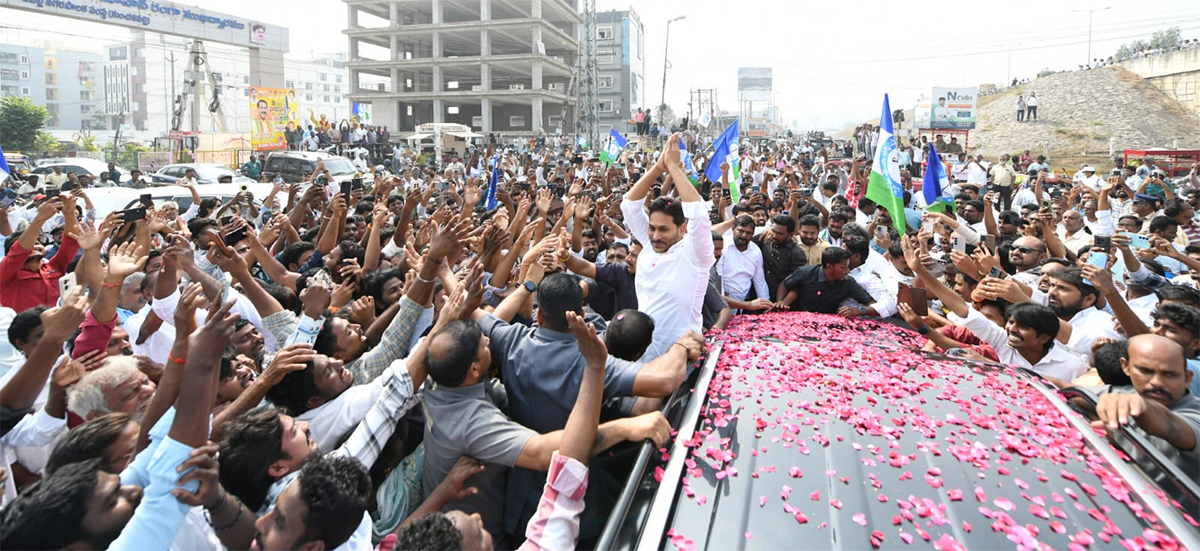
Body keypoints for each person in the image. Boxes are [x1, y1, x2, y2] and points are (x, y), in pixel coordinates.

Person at [621, 134, 715, 360]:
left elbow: (700, 215)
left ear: (682, 229)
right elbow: (629, 206)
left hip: (679, 358)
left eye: (664, 229)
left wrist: (675, 169)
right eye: (652, 228)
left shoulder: (694, 254)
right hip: (642, 355)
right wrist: (658, 167)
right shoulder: (650, 244)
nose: (655, 236)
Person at [1093, 334, 1199, 474]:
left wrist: (1144, 407)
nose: (1156, 382)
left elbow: (1171, 426)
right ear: (1126, 367)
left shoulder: (1195, 414)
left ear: (1187, 378)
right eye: (1145, 371)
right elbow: (1068, 389)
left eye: (1169, 374)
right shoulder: (1124, 394)